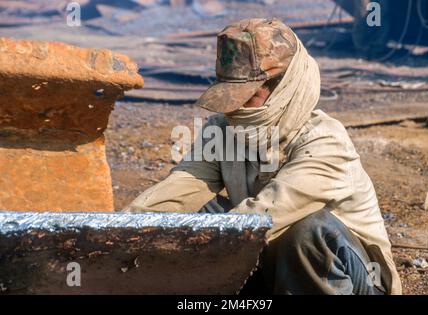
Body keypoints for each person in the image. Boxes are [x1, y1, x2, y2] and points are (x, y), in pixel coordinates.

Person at [123, 18, 402, 295]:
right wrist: (121, 230)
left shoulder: (325, 141)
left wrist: (195, 241)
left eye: (245, 96)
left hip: (354, 281)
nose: (234, 108)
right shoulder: (223, 129)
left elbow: (265, 215)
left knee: (308, 231)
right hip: (275, 269)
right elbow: (183, 186)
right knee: (193, 209)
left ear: (281, 89)